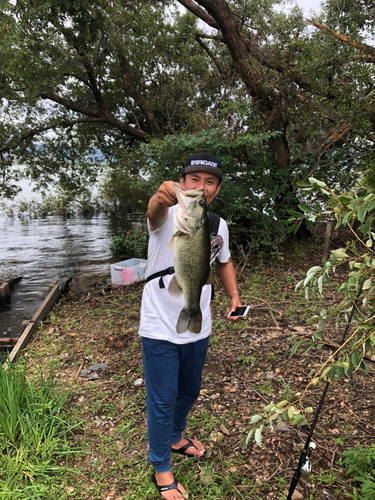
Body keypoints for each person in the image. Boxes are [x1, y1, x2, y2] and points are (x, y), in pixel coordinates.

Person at [138, 152, 242, 500]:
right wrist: (159, 196)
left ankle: (175, 435)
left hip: (199, 319)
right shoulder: (170, 214)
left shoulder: (217, 224)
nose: (200, 186)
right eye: (193, 180)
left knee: (190, 389)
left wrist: (234, 297)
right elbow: (154, 210)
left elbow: (223, 262)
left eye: (209, 181)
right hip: (158, 324)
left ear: (217, 188)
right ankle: (161, 466)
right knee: (163, 398)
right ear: (181, 184)